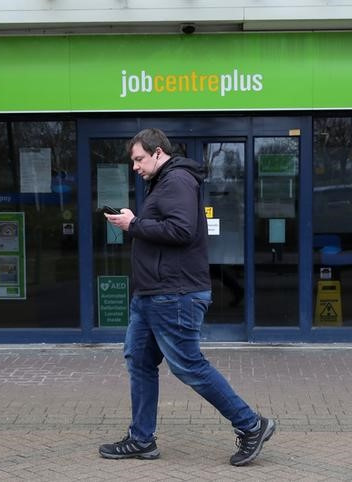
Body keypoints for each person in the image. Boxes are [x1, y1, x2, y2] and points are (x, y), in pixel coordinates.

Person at [100, 128, 275, 466]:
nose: (135, 166)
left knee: (188, 365)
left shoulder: (177, 180)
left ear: (157, 152)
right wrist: (135, 222)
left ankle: (252, 425)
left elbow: (181, 230)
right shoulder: (162, 183)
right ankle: (141, 439)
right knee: (139, 361)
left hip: (174, 294)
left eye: (138, 159)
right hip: (151, 294)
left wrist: (133, 224)